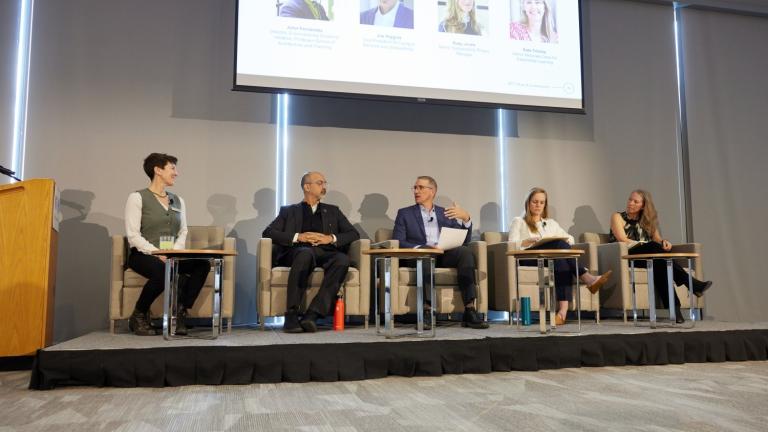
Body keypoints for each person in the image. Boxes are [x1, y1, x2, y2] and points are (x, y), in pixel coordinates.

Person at [124, 153, 211, 336]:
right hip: (143, 255)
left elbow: (183, 231)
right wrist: (157, 253)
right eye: (172, 168)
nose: (176, 173)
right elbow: (133, 235)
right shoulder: (137, 197)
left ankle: (179, 312)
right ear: (158, 170)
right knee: (163, 271)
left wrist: (174, 252)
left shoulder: (179, 200)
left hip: (171, 254)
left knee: (202, 264)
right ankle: (138, 314)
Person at [263, 171, 360, 333]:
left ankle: (313, 314)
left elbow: (353, 234)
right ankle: (292, 315)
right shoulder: (289, 211)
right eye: (320, 183)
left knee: (342, 259)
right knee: (305, 254)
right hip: (298, 251)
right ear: (307, 187)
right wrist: (298, 237)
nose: (324, 187)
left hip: (325, 251)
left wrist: (330, 238)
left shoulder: (333, 211)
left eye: (324, 183)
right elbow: (268, 232)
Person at [392, 176, 489, 329]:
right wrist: (423, 248)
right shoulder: (405, 213)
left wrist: (466, 219)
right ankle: (427, 310)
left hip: (444, 254)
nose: (416, 191)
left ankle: (470, 309)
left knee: (465, 252)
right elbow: (398, 240)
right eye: (415, 188)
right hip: (419, 255)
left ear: (432, 191)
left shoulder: (445, 213)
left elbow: (463, 240)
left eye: (420, 187)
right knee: (425, 256)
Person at [509, 188, 611, 325]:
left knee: (561, 260)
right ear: (528, 203)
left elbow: (570, 238)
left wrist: (565, 241)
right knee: (558, 244)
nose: (538, 205)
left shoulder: (551, 223)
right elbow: (510, 244)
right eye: (535, 202)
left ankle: (562, 313)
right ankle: (587, 277)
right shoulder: (519, 221)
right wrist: (526, 242)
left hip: (548, 258)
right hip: (529, 257)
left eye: (542, 202)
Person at [609, 189, 712, 323]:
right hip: (627, 256)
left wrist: (664, 242)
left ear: (643, 205)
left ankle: (675, 311)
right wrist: (645, 244)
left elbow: (657, 239)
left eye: (636, 201)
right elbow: (622, 239)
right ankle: (691, 283)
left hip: (648, 256)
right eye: (630, 199)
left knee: (660, 266)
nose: (631, 203)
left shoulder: (647, 221)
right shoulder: (617, 217)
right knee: (654, 248)